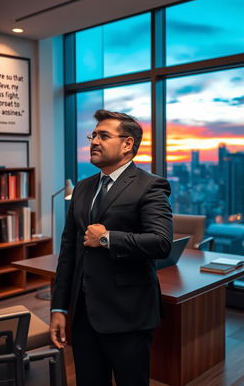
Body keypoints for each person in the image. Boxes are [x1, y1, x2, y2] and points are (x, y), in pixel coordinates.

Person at [50, 109, 173, 386]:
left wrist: (107, 238)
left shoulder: (150, 186)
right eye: (93, 135)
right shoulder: (82, 187)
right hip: (83, 315)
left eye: (103, 135)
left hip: (127, 315)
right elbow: (69, 251)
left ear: (127, 144)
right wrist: (59, 308)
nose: (93, 141)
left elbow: (162, 242)